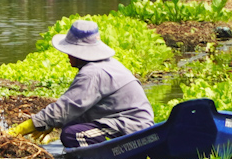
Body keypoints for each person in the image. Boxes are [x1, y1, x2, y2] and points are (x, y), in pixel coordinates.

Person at [9, 19, 154, 148]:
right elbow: (78, 110)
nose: (68, 55)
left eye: (71, 52)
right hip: (134, 123)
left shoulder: (93, 72)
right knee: (72, 125)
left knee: (72, 134)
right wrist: (52, 123)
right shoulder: (106, 64)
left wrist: (26, 127)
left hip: (132, 127)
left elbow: (67, 107)